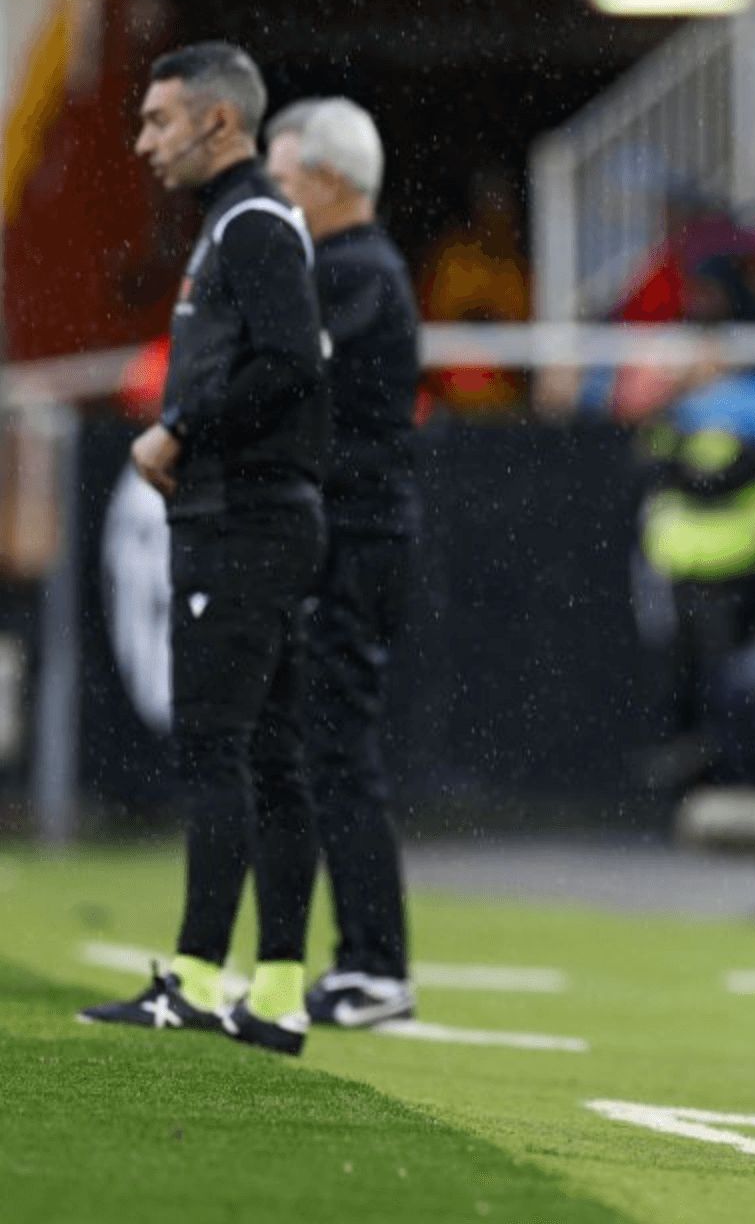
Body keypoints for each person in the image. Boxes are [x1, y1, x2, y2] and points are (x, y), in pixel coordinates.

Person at [80, 42, 328, 1055]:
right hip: (262, 517)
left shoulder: (253, 222)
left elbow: (288, 363)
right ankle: (275, 993)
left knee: (220, 748)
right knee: (270, 755)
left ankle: (193, 979)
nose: (144, 143)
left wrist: (177, 430)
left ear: (218, 122)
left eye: (159, 120)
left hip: (242, 521)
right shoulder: (244, 222)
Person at [264, 97, 422, 1028]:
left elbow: (276, 378)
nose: (274, 197)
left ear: (328, 180)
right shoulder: (358, 269)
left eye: (284, 180)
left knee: (337, 747)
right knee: (325, 745)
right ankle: (357, 959)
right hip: (351, 535)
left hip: (353, 542)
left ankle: (374, 964)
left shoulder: (352, 271)